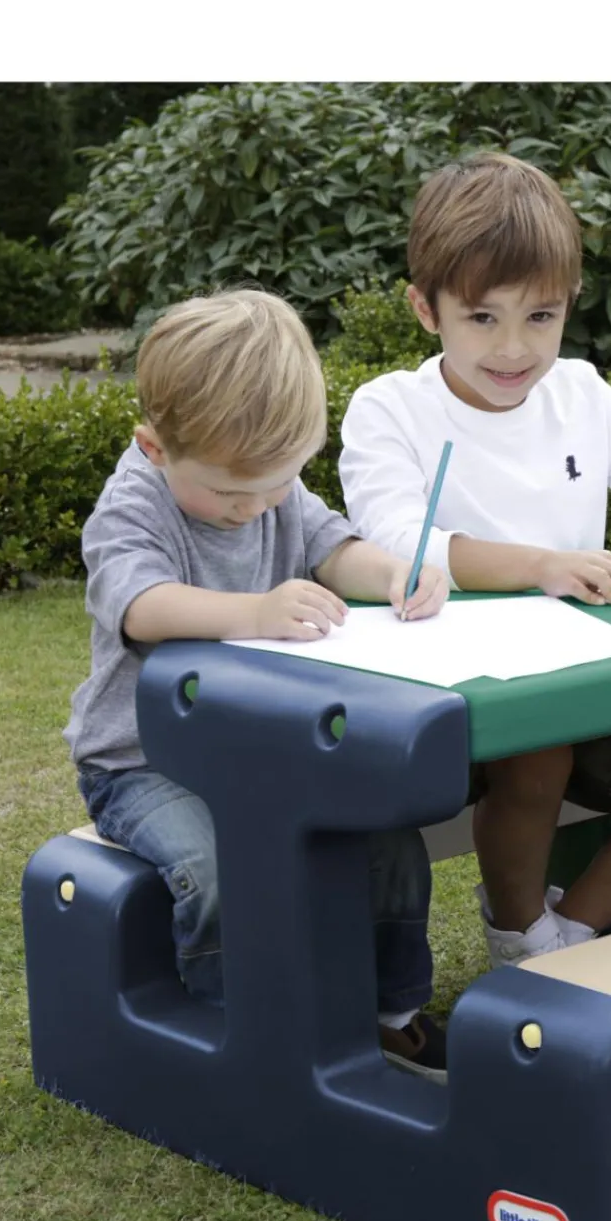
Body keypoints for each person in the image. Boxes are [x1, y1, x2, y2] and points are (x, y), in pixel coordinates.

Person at [339, 151, 611, 969]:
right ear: (426, 310)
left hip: (588, 689)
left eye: (540, 316)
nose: (514, 348)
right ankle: (520, 932)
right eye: (482, 317)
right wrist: (542, 564)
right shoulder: (389, 409)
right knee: (539, 749)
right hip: (452, 705)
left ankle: (557, 945)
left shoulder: (581, 394)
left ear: (570, 303)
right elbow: (396, 541)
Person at [64, 288, 451, 1077]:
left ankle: (387, 1015)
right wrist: (255, 612)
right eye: (230, 492)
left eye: (277, 485)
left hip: (271, 751)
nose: (255, 508)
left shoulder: (276, 490)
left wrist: (393, 572)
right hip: (143, 765)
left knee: (390, 845)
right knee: (216, 873)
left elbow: (335, 548)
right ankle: (237, 1032)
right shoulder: (134, 506)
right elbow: (140, 606)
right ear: (154, 447)